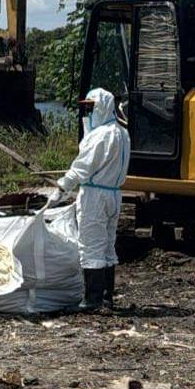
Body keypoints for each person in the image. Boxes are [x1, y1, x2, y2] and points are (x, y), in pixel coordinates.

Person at [47, 88, 130, 310]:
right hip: (114, 194)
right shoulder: (122, 133)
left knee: (91, 245)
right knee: (107, 245)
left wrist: (62, 188)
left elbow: (81, 168)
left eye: (92, 108)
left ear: (102, 107)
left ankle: (92, 300)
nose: (89, 113)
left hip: (95, 196)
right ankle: (106, 297)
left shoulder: (100, 136)